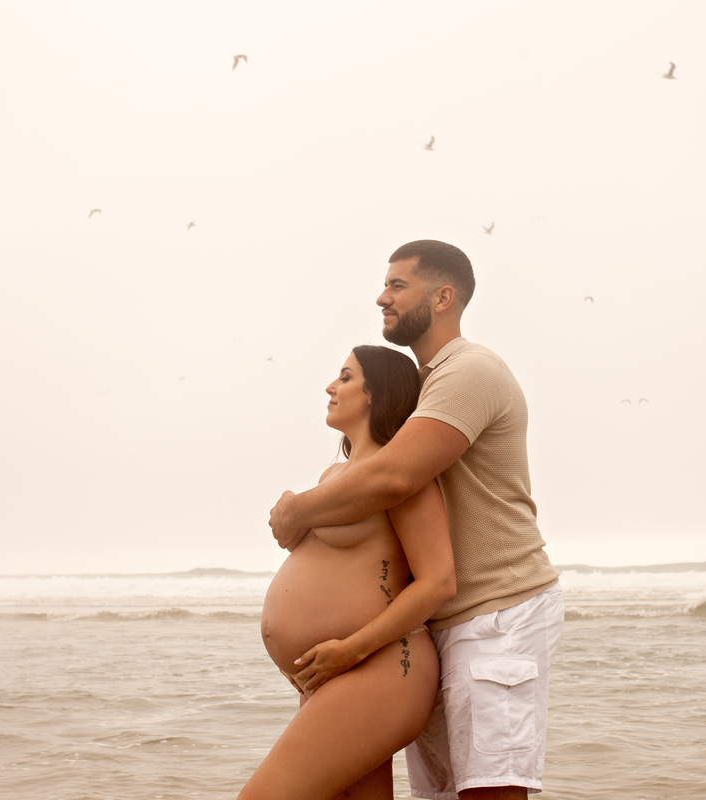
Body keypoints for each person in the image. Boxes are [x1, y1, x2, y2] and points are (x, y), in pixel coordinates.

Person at [269, 240, 564, 800]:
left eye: (398, 286)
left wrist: (296, 510)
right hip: (434, 625)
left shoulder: (469, 370)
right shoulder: (425, 385)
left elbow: (394, 478)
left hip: (495, 611)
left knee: (488, 792)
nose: (382, 297)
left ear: (444, 296)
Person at [240, 345, 457, 800]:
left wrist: (350, 650)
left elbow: (439, 581)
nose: (330, 387)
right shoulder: (332, 477)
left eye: (345, 377)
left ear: (377, 394)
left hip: (378, 666)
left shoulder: (400, 476)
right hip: (332, 673)